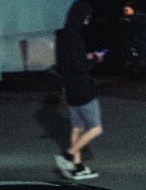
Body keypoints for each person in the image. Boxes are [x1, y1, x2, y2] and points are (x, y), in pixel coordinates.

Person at [54, 0, 103, 180]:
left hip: (70, 88)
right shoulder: (75, 37)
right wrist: (94, 60)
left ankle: (78, 166)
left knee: (77, 127)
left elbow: (68, 62)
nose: (87, 21)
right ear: (80, 16)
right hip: (83, 88)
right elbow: (80, 66)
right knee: (95, 128)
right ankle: (67, 156)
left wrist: (86, 56)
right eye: (86, 17)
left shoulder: (62, 36)